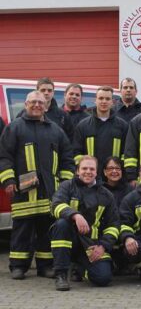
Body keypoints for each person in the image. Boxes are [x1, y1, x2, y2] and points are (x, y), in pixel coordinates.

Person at [0, 91, 75, 280]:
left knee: (46, 231)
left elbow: (67, 158)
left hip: (50, 191)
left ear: (46, 106)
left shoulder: (56, 130)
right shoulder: (15, 128)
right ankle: (18, 266)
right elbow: (4, 157)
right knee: (21, 231)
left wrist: (65, 183)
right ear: (26, 104)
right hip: (23, 192)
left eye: (40, 102)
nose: (36, 105)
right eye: (33, 102)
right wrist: (8, 180)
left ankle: (45, 266)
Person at [51, 155, 120, 291]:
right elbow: (56, 205)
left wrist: (103, 246)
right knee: (61, 224)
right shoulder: (67, 186)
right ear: (77, 171)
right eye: (84, 168)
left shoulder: (106, 195)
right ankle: (61, 274)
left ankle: (80, 267)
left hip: (91, 244)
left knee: (103, 278)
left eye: (91, 169)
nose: (88, 172)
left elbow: (114, 225)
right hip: (70, 240)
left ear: (97, 172)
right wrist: (75, 215)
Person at [73, 86, 128, 179]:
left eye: (107, 99)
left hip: (114, 179)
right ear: (95, 100)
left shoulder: (122, 126)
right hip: (90, 178)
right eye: (101, 98)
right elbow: (77, 153)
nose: (104, 101)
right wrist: (85, 170)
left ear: (112, 102)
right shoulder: (83, 126)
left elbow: (126, 153)